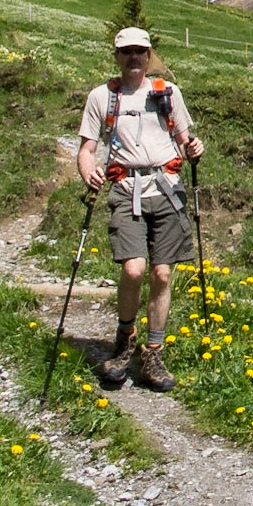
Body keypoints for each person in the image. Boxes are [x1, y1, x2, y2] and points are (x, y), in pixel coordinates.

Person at [76, 26, 205, 391]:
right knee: (134, 270)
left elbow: (186, 141)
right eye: (127, 51)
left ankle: (153, 351)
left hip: (166, 188)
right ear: (116, 56)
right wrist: (89, 173)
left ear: (149, 57)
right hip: (125, 187)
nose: (134, 58)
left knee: (162, 274)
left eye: (140, 52)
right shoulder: (101, 97)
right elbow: (86, 150)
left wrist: (195, 149)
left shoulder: (168, 93)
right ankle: (125, 338)